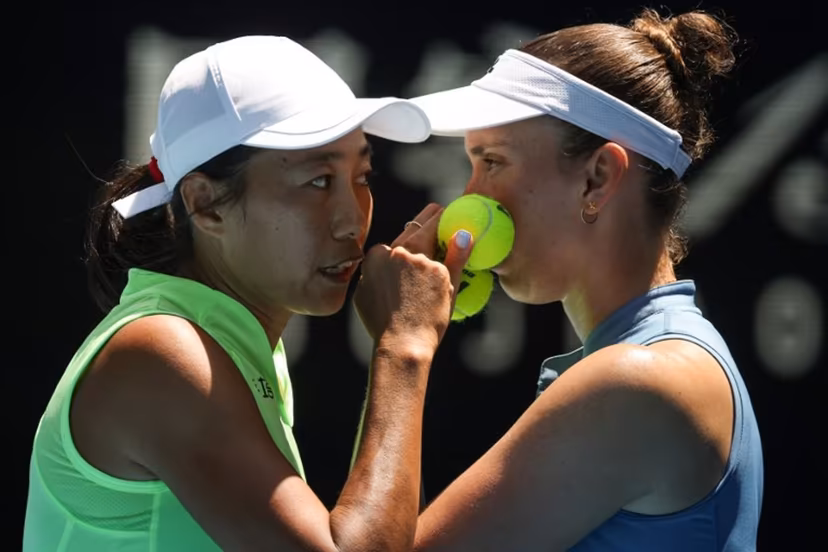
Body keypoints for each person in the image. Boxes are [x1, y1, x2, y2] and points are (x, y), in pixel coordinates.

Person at [25, 35, 475, 552]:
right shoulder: (163, 352)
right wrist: (405, 343)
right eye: (318, 181)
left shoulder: (234, 344)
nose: (354, 218)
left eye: (361, 176)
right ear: (206, 204)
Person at [366, 8, 763, 551]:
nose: (469, 199)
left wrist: (401, 346)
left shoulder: (639, 383)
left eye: (494, 162)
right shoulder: (651, 364)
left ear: (598, 177)